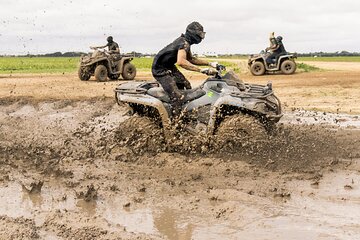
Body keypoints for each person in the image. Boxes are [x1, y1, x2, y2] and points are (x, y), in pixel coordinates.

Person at [152, 21, 219, 110]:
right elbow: (181, 62)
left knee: (186, 85)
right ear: (192, 33)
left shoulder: (186, 42)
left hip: (169, 66)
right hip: (160, 70)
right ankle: (175, 120)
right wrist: (201, 70)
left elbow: (191, 59)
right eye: (199, 34)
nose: (201, 37)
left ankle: (187, 108)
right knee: (177, 97)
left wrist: (210, 64)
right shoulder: (183, 43)